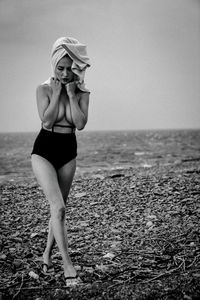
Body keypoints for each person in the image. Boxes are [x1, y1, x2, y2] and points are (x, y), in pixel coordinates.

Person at [31, 37, 91, 287]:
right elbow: (46, 121)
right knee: (59, 208)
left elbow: (80, 123)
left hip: (68, 150)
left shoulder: (83, 92)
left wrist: (70, 94)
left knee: (59, 209)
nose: (65, 73)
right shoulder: (43, 89)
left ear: (76, 67)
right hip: (44, 150)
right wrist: (56, 94)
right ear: (53, 65)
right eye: (60, 68)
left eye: (69, 68)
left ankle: (46, 255)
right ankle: (68, 265)